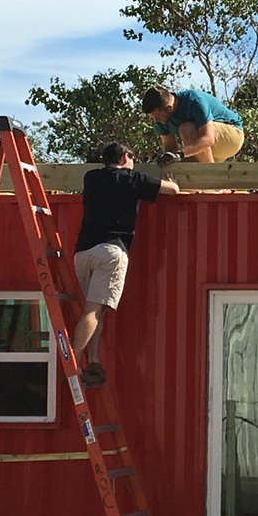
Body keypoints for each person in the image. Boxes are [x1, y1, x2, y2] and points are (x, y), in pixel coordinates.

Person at [73, 141, 179, 386]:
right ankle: (73, 361)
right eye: (132, 158)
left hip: (83, 251)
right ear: (124, 157)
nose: (133, 163)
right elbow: (171, 191)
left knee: (94, 310)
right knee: (93, 310)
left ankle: (94, 360)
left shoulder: (91, 177)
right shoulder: (132, 179)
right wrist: (171, 180)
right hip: (111, 250)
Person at [141, 85, 245, 163]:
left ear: (169, 108)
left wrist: (181, 154)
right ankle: (209, 187)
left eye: (157, 117)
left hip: (232, 135)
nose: (156, 121)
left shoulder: (194, 100)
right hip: (206, 146)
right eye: (152, 118)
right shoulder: (161, 118)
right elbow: (170, 148)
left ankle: (211, 182)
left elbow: (208, 139)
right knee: (183, 167)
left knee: (186, 128)